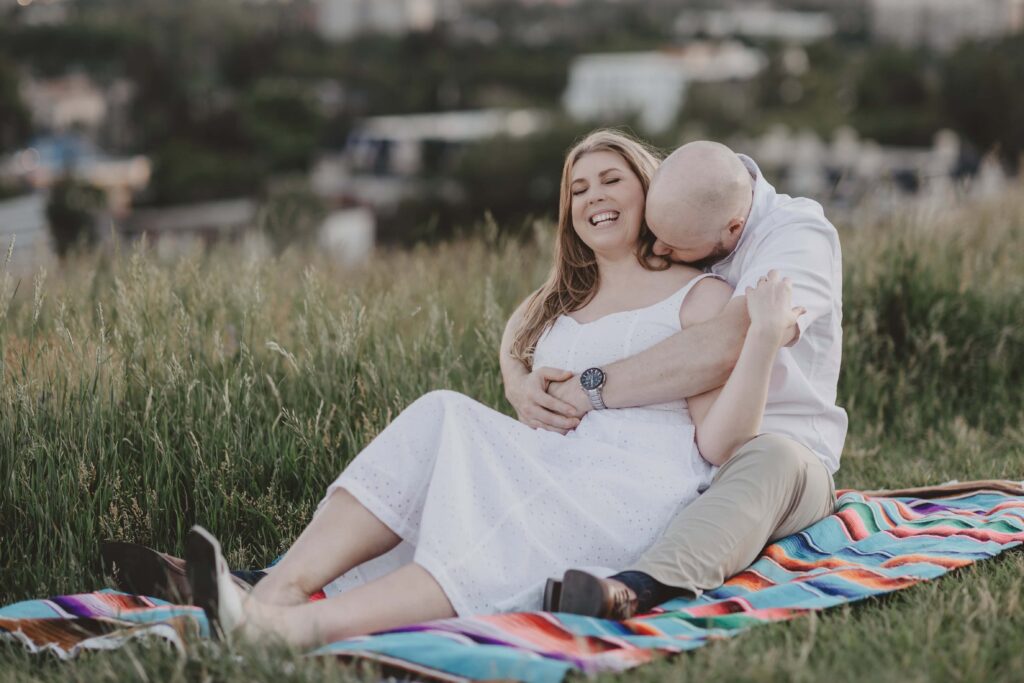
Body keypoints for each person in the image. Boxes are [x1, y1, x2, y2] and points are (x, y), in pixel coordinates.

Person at [185, 130, 803, 648]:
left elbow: (721, 443)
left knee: (492, 523)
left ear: (650, 188)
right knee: (440, 414)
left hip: (627, 483)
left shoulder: (697, 294)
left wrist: (765, 336)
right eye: (578, 189)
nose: (594, 197)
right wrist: (518, 381)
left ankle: (296, 630)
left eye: (611, 179)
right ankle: (277, 590)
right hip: (546, 456)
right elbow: (516, 339)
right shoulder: (561, 303)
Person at [501, 141, 845, 618]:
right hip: (687, 454)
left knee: (771, 459)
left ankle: (639, 588)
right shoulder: (689, 191)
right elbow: (544, 301)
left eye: (673, 243)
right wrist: (514, 377)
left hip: (774, 449)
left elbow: (723, 346)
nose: (659, 247)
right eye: (655, 232)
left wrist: (587, 389)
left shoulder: (796, 237)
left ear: (733, 228)